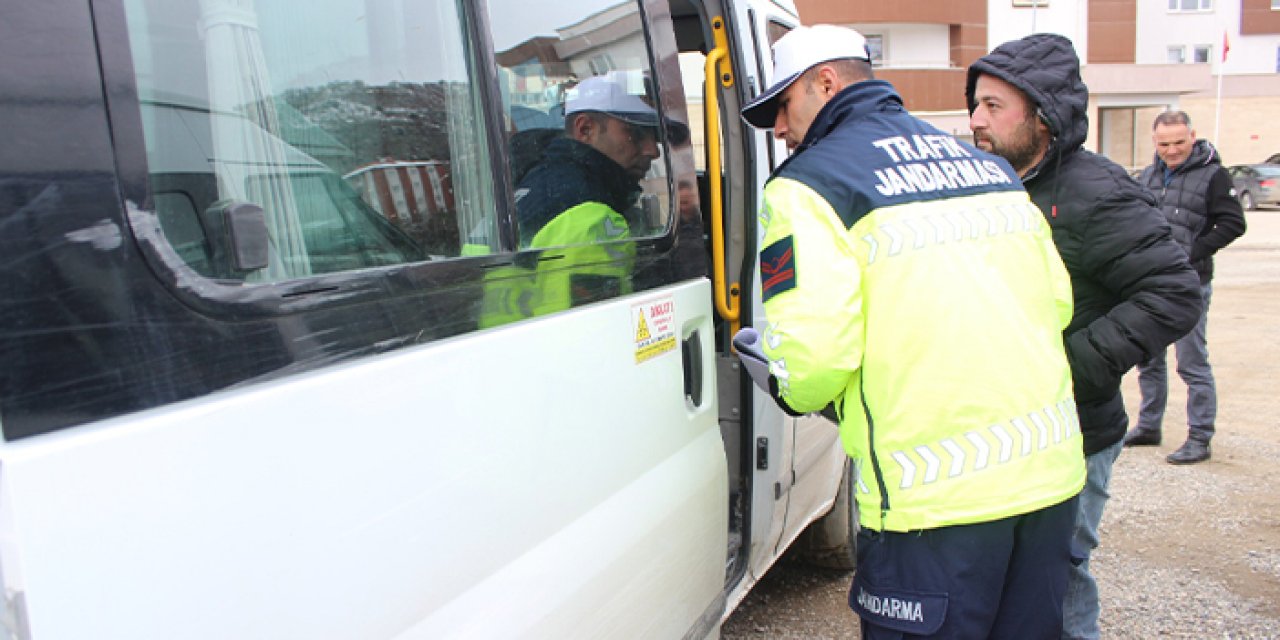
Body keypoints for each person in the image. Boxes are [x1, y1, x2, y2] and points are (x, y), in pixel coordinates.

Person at [738, 24, 1086, 638]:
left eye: (783, 107)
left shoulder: (808, 186)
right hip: (1047, 484)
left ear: (826, 82)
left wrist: (781, 379)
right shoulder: (986, 166)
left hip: (932, 506)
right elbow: (1056, 303)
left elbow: (815, 360)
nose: (779, 130)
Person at [966, 34, 1202, 640]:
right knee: (1009, 584)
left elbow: (1174, 292)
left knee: (1061, 578)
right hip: (1003, 429)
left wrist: (1068, 366)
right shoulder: (982, 184)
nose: (975, 120)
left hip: (1076, 431)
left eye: (994, 107)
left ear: (1042, 118)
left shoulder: (1097, 191)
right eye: (977, 104)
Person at [480, 72, 683, 327]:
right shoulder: (593, 219)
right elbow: (595, 335)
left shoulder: (525, 186)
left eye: (655, 137)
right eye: (636, 133)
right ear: (585, 129)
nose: (653, 150)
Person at [1124, 111, 1247, 465]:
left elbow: (1233, 223)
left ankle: (1199, 436)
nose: (1172, 150)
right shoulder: (1147, 176)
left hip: (1190, 284)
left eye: (1179, 142)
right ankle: (1149, 426)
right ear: (1154, 141)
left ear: (1192, 136)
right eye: (1164, 144)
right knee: (1148, 358)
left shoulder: (1214, 175)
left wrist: (1193, 252)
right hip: (1150, 283)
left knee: (1191, 362)